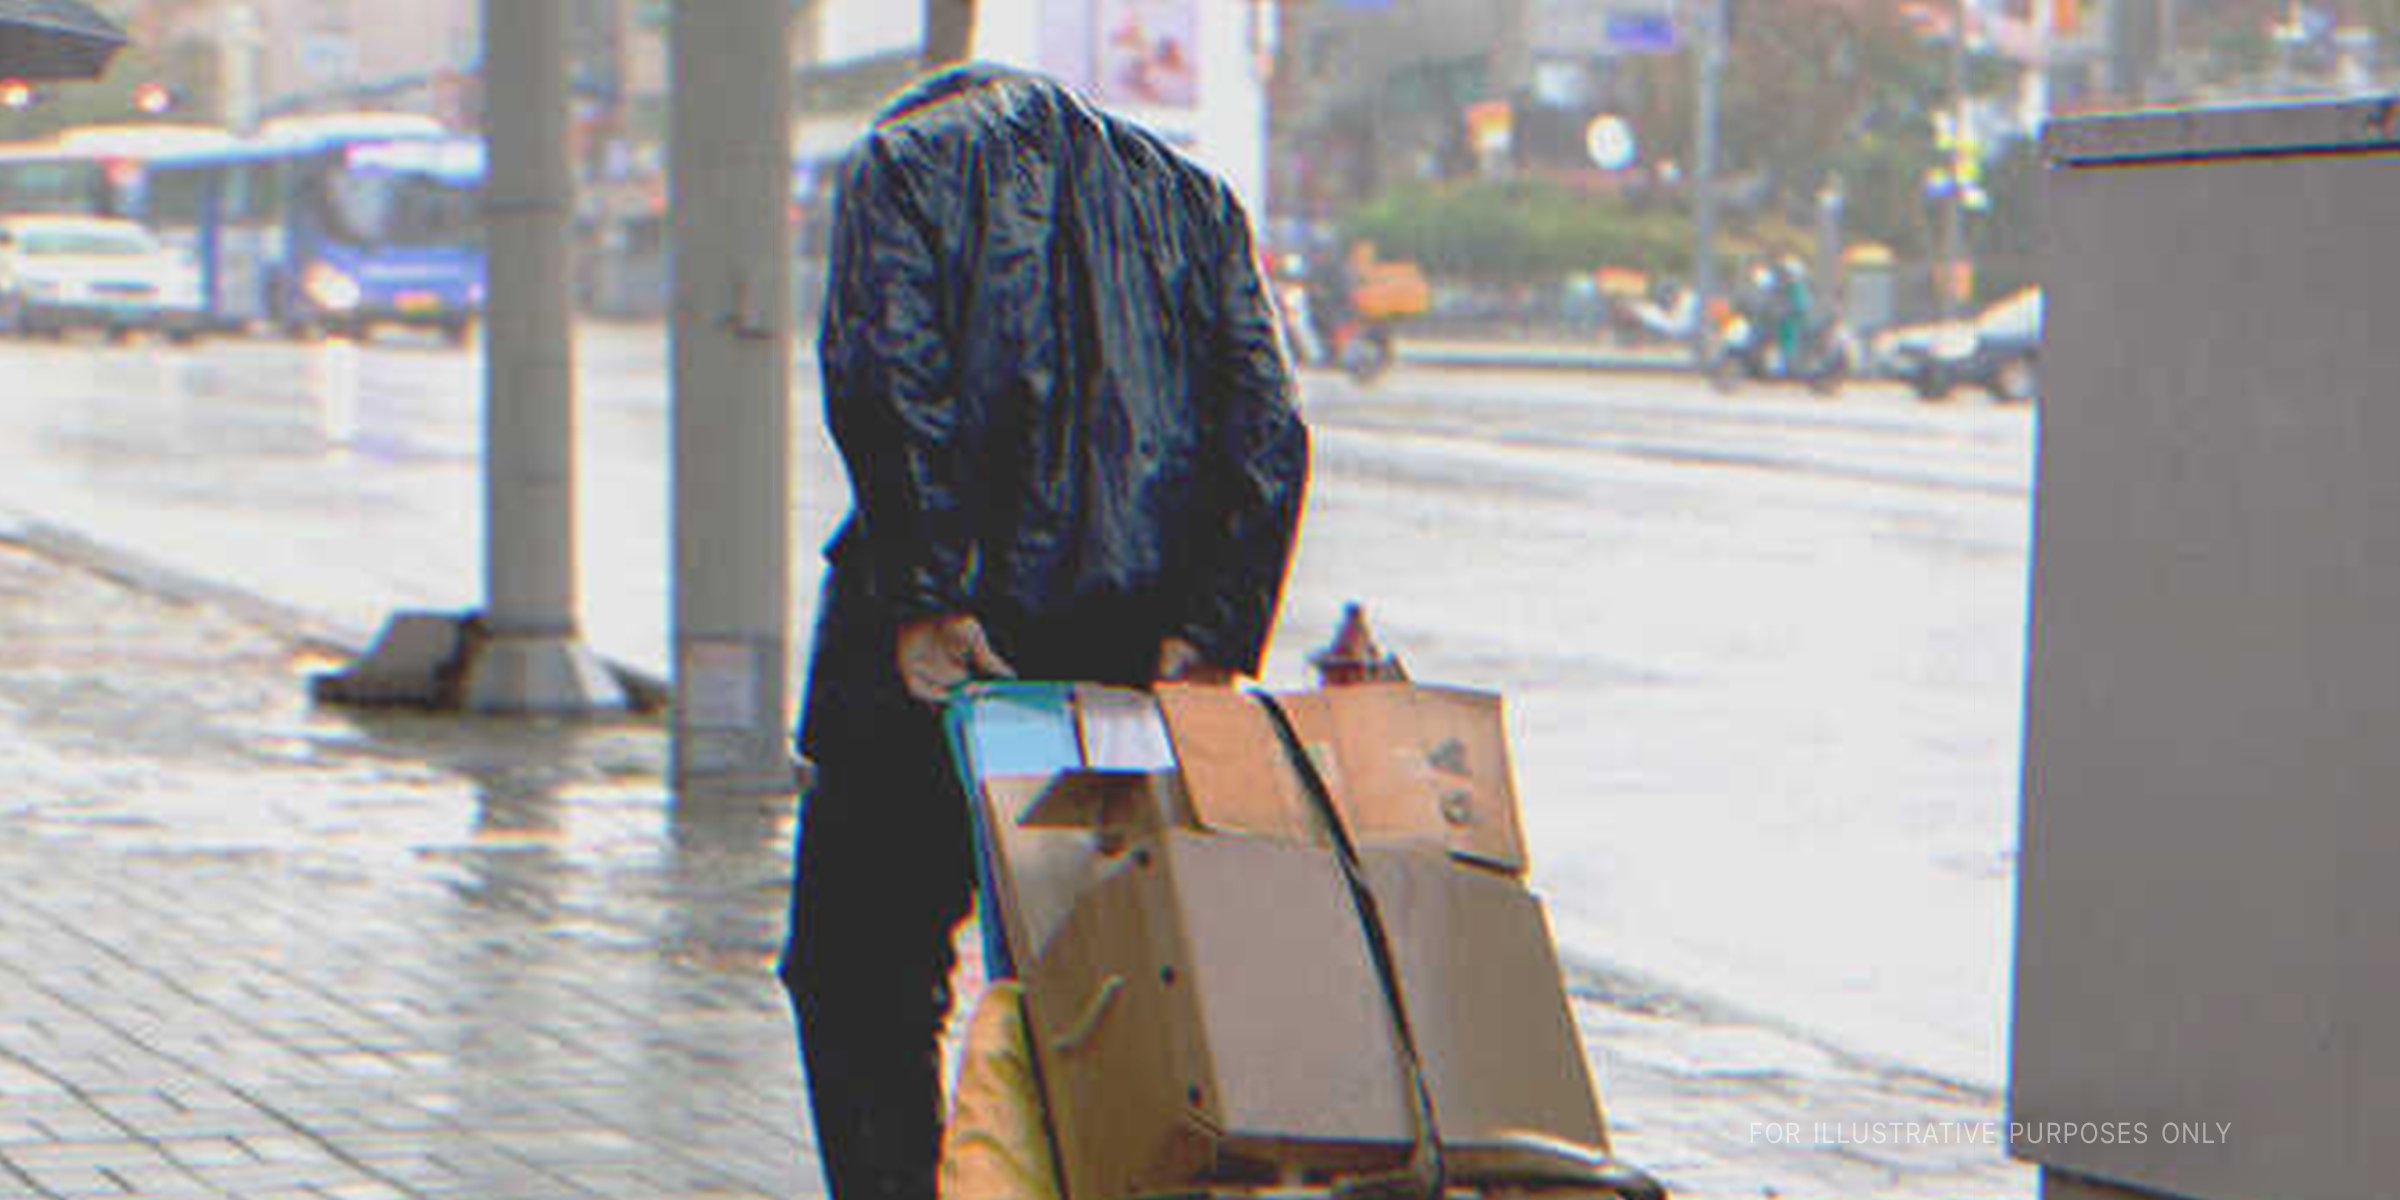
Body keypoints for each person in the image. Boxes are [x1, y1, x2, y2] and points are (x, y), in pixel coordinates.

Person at [778, 64, 1309, 1200]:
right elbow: (1268, 429)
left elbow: (883, 371)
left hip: (944, 667)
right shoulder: (1192, 201)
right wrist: (1211, 631)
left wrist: (928, 593)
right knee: (1098, 980)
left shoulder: (903, 165)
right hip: (1126, 672)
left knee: (861, 970)